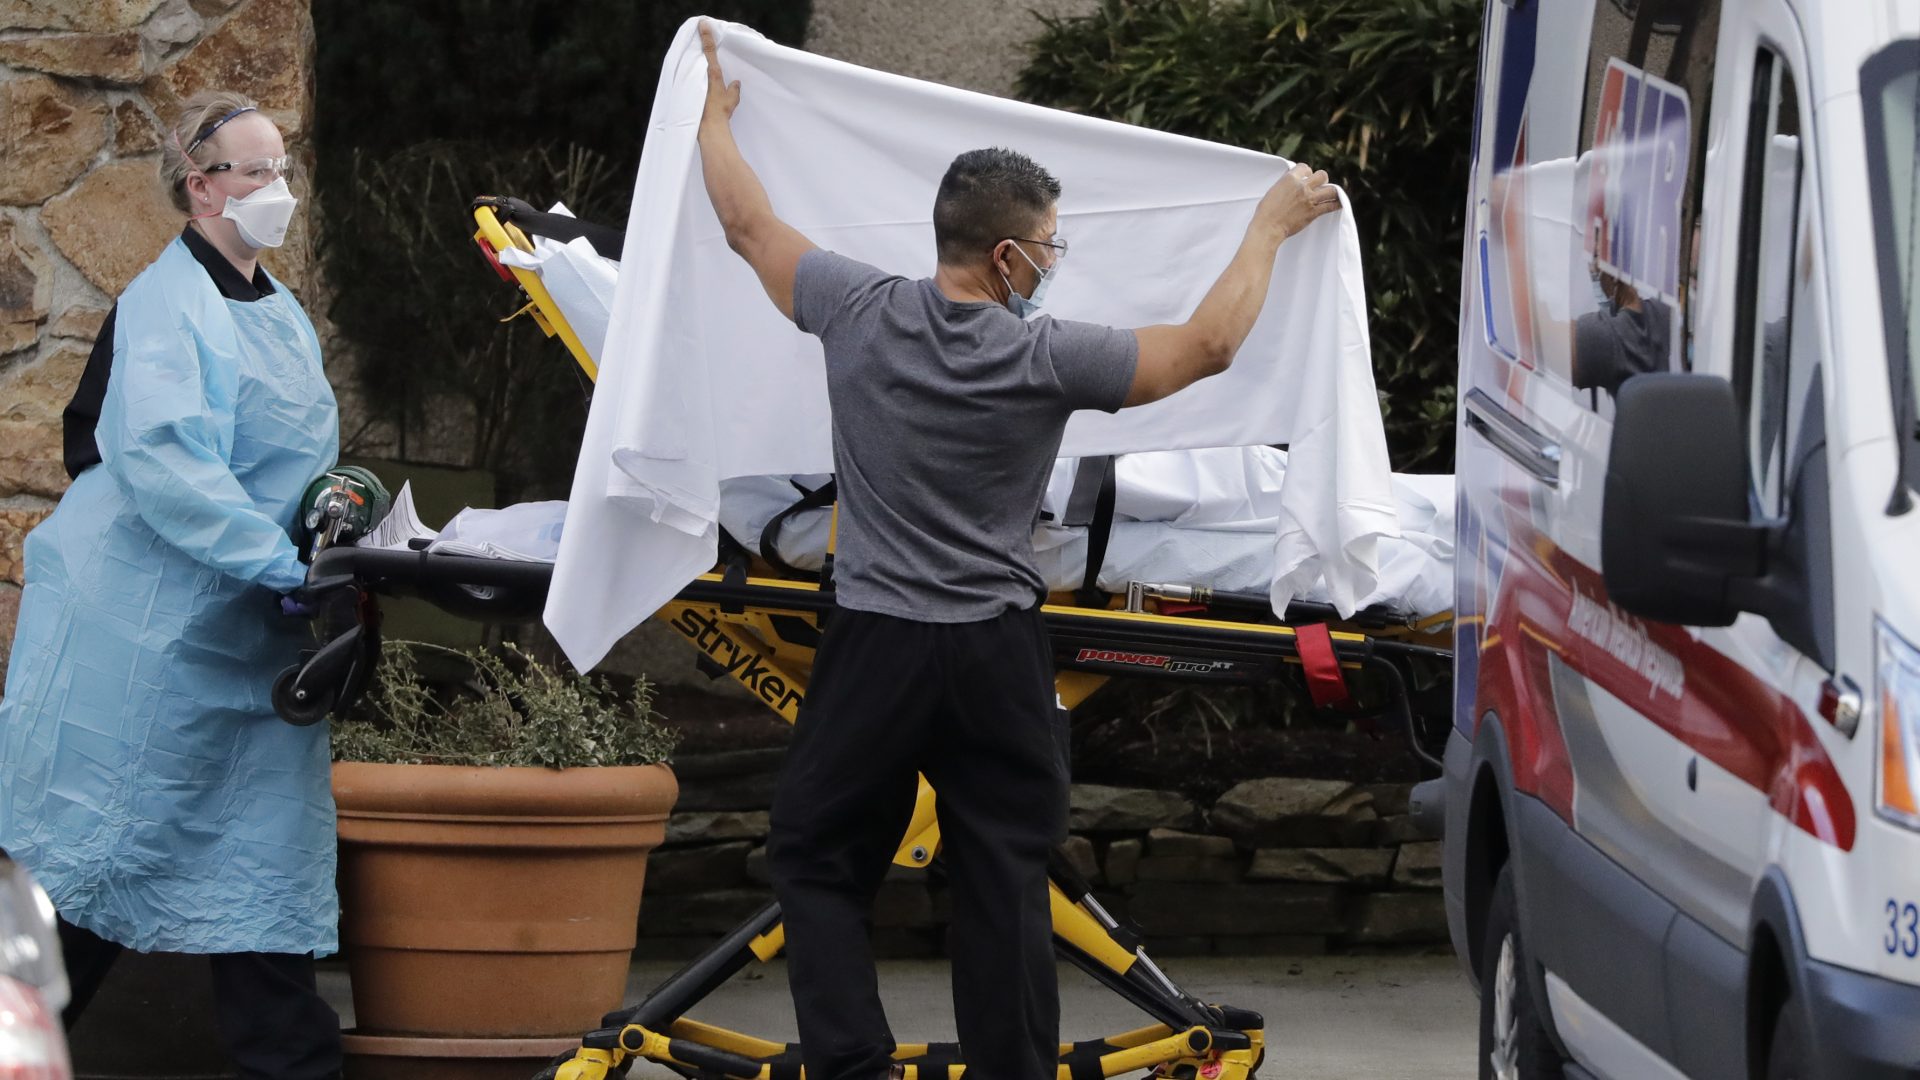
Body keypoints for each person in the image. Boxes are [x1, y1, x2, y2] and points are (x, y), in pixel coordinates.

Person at [692, 22, 1339, 1080]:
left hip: (876, 649)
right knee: (1001, 878)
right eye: (1051, 246)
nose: (1054, 262)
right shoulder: (1046, 356)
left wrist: (715, 117)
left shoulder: (855, 308)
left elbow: (744, 220)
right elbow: (1210, 346)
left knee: (814, 855)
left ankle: (850, 1064)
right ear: (1007, 256)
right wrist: (1269, 225)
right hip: (994, 656)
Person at [0, 90, 343, 1079]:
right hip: (143, 650)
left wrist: (338, 524)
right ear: (201, 187)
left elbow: (293, 458)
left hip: (241, 650)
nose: (281, 189)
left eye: (285, 168)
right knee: (93, 872)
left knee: (259, 884)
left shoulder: (280, 315)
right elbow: (165, 464)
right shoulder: (165, 305)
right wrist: (286, 567)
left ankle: (291, 1065)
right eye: (259, 171)